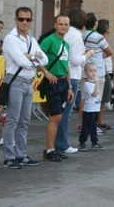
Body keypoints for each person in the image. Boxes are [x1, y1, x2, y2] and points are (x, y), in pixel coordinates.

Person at [2, 7, 48, 169]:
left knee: (25, 121)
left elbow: (45, 60)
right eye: (21, 19)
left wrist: (29, 57)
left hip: (29, 84)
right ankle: (8, 157)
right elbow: (21, 62)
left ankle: (21, 154)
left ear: (31, 21)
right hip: (15, 83)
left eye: (27, 20)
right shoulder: (11, 39)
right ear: (15, 20)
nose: (24, 22)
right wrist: (32, 59)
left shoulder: (31, 40)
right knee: (12, 120)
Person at [54, 8, 94, 154]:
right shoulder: (76, 36)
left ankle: (57, 143)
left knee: (59, 112)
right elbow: (75, 60)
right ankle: (61, 143)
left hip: (61, 73)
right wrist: (88, 54)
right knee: (66, 113)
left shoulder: (65, 34)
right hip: (73, 75)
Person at [38, 15, 74, 162]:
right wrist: (46, 73)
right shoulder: (49, 40)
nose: (63, 27)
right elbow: (36, 57)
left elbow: (66, 67)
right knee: (56, 116)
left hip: (63, 82)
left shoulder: (66, 44)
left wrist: (70, 87)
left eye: (66, 24)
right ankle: (50, 149)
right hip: (52, 82)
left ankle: (51, 148)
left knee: (58, 117)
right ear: (55, 25)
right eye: (61, 24)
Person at [79, 13, 113, 135]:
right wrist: (103, 54)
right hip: (97, 71)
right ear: (95, 24)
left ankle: (82, 125)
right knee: (95, 100)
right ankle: (93, 126)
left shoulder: (81, 35)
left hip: (84, 70)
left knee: (84, 98)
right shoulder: (98, 37)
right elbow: (109, 51)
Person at [78, 63, 105, 151]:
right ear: (85, 73)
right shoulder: (87, 84)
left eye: (95, 71)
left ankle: (94, 142)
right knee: (86, 127)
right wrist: (97, 84)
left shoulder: (94, 84)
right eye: (91, 71)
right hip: (89, 110)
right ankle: (82, 142)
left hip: (95, 108)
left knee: (94, 127)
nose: (93, 73)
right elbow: (93, 94)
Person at [96, 19, 113, 112]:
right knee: (102, 98)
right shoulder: (103, 39)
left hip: (104, 68)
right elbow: (108, 53)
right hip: (103, 69)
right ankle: (100, 121)